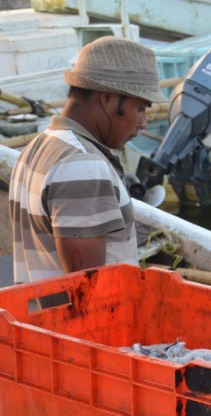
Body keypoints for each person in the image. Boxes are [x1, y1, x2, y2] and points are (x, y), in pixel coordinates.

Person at [9, 36, 168, 283]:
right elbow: (87, 290)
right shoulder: (82, 165)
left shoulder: (37, 147)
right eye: (140, 108)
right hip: (73, 322)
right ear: (107, 99)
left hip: (41, 318)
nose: (144, 121)